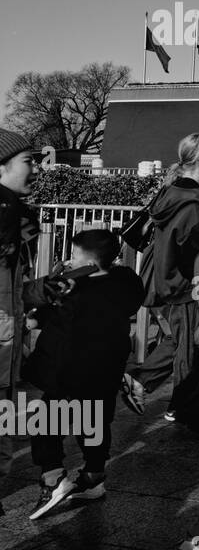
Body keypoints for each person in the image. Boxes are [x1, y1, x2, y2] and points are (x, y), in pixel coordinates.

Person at [26, 230, 144, 520]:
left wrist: (37, 315)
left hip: (69, 371)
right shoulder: (126, 281)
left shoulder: (74, 292)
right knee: (95, 421)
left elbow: (46, 323)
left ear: (87, 259)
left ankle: (52, 478)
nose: (69, 259)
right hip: (105, 370)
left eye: (75, 254)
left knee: (46, 422)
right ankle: (93, 476)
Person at [127, 133, 199, 437]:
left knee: (177, 340)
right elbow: (194, 250)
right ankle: (186, 409)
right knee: (190, 349)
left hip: (160, 280)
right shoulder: (195, 201)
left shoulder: (168, 192)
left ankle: (142, 381)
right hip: (184, 286)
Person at [0, 130, 40, 517]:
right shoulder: (7, 214)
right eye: (29, 161)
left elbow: (15, 287)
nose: (36, 169)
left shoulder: (15, 215)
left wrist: (45, 290)